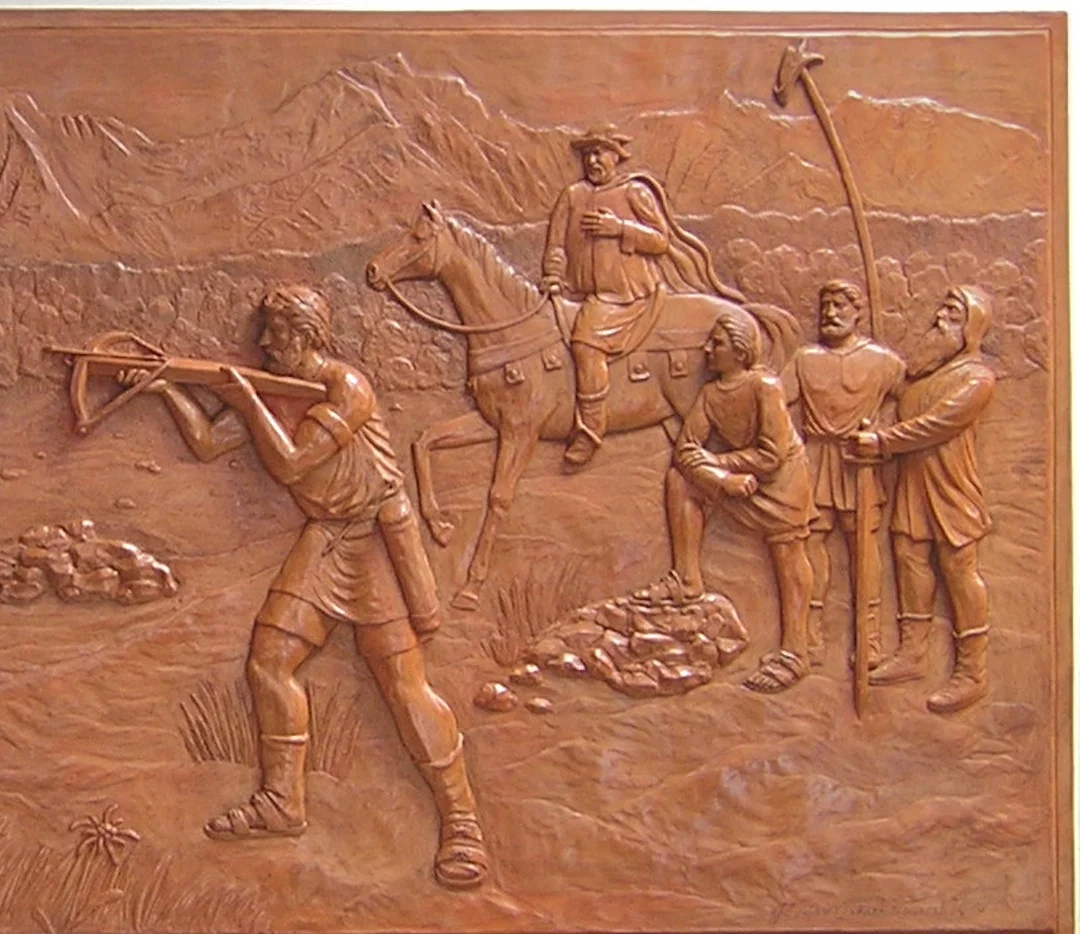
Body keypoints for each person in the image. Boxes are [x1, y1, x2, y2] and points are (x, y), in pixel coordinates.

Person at [122, 284, 487, 889]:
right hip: (326, 538)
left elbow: (291, 463)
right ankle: (282, 801)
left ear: (306, 335)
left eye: (277, 332)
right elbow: (209, 443)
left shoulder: (348, 387)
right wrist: (167, 389)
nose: (266, 343)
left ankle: (462, 822)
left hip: (372, 538)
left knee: (403, 686)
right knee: (269, 662)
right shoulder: (276, 388)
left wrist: (248, 402)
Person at [633, 313, 816, 693]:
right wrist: (721, 479)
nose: (707, 350)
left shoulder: (765, 386)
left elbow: (772, 454)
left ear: (741, 350)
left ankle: (795, 652)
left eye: (716, 343)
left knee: (789, 554)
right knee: (680, 480)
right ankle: (687, 580)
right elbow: (686, 449)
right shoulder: (712, 394)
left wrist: (718, 462)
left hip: (782, 485)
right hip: (741, 480)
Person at [542, 124, 744, 466]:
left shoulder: (634, 193)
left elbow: (660, 240)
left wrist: (620, 228)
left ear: (615, 156)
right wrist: (552, 274)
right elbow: (556, 245)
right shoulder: (572, 196)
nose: (592, 160)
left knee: (586, 345)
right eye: (587, 154)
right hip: (580, 295)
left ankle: (590, 430)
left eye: (599, 152)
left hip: (627, 296)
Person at [845, 286, 997, 714]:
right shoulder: (923, 376)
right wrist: (875, 427)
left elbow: (936, 424)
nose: (940, 319)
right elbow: (903, 414)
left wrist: (882, 441)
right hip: (913, 483)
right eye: (941, 311)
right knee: (909, 557)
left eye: (953, 314)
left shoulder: (976, 379)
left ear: (971, 329)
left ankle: (972, 672)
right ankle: (912, 653)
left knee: (958, 568)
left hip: (951, 484)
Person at [779, 281, 906, 666]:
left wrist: (881, 432)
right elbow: (775, 402)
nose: (831, 313)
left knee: (863, 547)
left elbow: (912, 402)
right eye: (826, 306)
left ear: (858, 312)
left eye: (840, 305)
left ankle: (869, 639)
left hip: (858, 463)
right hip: (815, 460)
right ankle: (810, 636)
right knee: (811, 544)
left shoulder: (883, 361)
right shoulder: (805, 359)